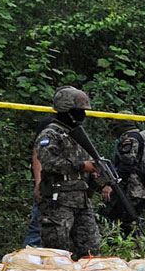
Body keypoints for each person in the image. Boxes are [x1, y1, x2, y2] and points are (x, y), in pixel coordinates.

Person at [35, 86, 110, 259]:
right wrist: (82, 166)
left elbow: (89, 167)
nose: (82, 115)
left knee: (91, 249)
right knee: (57, 250)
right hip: (58, 200)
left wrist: (101, 179)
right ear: (66, 111)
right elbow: (49, 162)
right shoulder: (51, 134)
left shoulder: (77, 135)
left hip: (81, 200)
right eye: (78, 111)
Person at [107, 115, 145, 237]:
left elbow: (127, 164)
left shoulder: (130, 138)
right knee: (129, 222)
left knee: (121, 223)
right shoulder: (144, 137)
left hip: (131, 189)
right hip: (141, 189)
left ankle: (128, 250)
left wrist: (112, 184)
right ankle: (133, 249)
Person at [24, 113, 55, 248]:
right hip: (49, 185)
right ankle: (26, 260)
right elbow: (38, 155)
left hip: (69, 189)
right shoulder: (50, 125)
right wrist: (39, 182)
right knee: (38, 227)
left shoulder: (73, 125)